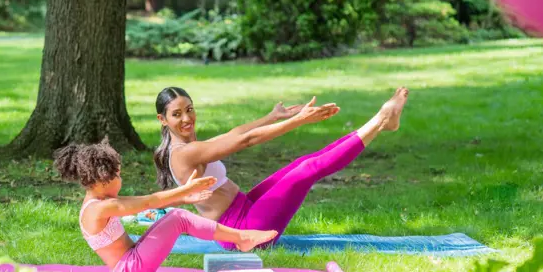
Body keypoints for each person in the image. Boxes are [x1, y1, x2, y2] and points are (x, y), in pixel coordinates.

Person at [154, 87, 409, 250]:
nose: (186, 119)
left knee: (301, 164)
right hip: (242, 231)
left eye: (189, 110)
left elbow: (235, 133)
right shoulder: (184, 154)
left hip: (244, 209)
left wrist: (273, 116)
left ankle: (382, 124)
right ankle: (381, 121)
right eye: (177, 114)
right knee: (308, 169)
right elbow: (246, 141)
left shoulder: (190, 145)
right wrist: (299, 120)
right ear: (163, 120)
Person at [53, 138, 278, 272]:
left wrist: (185, 198)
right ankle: (242, 237)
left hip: (133, 259)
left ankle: (240, 238)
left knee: (176, 215)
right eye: (118, 175)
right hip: (131, 269)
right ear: (103, 180)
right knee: (178, 218)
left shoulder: (98, 203)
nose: (121, 179)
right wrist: (185, 189)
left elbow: (147, 201)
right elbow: (149, 202)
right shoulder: (100, 209)